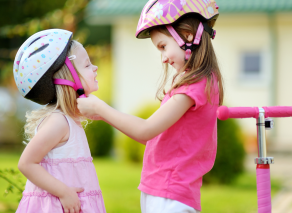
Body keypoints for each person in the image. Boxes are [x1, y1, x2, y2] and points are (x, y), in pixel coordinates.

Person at [77, 0, 223, 212]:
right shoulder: (198, 81)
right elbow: (157, 137)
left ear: (188, 35)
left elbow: (146, 131)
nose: (163, 58)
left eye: (163, 47)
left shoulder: (194, 84)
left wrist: (101, 108)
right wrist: (104, 115)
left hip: (171, 193)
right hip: (163, 190)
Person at [13, 29, 106, 213]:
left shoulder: (70, 120)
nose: (95, 68)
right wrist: (63, 192)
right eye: (87, 65)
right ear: (68, 78)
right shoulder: (59, 122)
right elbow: (26, 163)